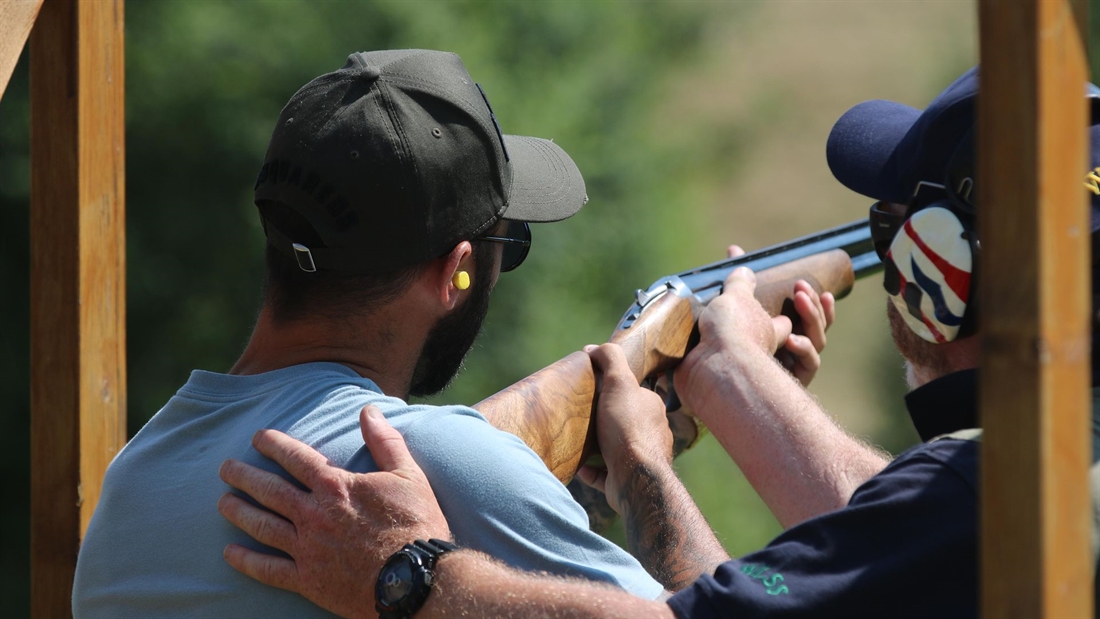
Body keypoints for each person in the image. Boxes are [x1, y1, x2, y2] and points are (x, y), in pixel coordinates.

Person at [216, 67, 1100, 618]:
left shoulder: (993, 489)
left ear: (948, 262)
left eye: (893, 226)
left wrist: (407, 572)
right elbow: (886, 553)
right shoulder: (1037, 483)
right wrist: (702, 419)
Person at [71, 48, 835, 617]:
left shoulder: (131, 484)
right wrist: (645, 465)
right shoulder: (439, 463)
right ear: (457, 270)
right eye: (511, 245)